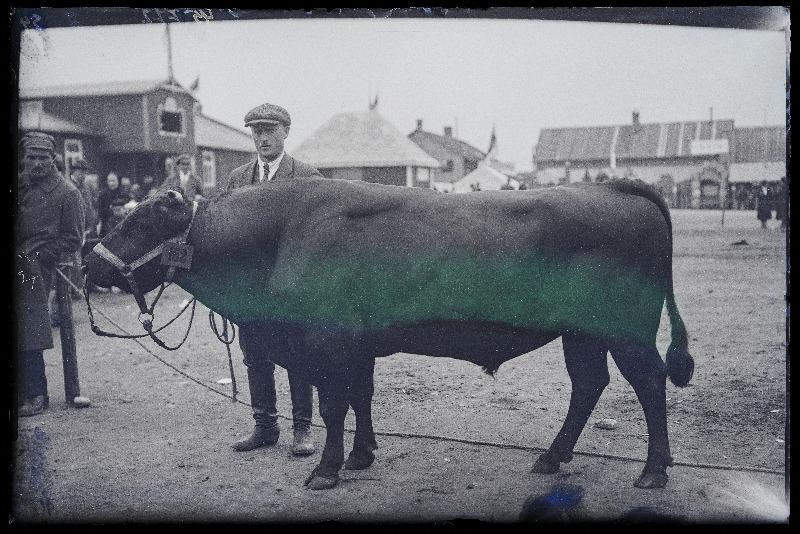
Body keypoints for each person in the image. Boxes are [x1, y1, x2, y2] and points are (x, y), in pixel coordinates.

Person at [222, 103, 323, 456]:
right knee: (255, 356)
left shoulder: (308, 177)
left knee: (298, 357)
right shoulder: (237, 178)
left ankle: (302, 429)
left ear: (286, 132)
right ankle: (265, 426)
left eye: (270, 130)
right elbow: (227, 232)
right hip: (250, 291)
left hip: (291, 289)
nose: (262, 137)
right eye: (256, 131)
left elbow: (319, 237)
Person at [15, 132, 85, 416]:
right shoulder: (20, 186)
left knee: (29, 325)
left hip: (31, 269)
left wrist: (39, 256)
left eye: (43, 158)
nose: (37, 163)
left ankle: (36, 394)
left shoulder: (67, 193)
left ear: (53, 159)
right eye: (31, 157)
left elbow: (73, 238)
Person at [98, 172, 128, 237]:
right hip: (107, 226)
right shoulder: (103, 195)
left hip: (122, 225)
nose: (111, 183)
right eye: (109, 181)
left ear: (118, 181)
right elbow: (101, 212)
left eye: (113, 181)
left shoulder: (123, 194)